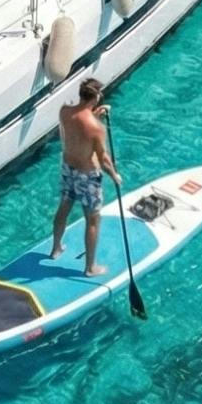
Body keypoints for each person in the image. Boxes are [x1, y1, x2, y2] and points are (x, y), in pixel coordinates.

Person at [50, 78, 122, 277]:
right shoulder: (97, 128)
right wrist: (115, 176)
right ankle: (90, 268)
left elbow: (79, 126)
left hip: (68, 168)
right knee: (92, 219)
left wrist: (93, 114)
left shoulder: (64, 111)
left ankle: (56, 248)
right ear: (97, 96)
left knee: (64, 206)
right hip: (87, 175)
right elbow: (103, 159)